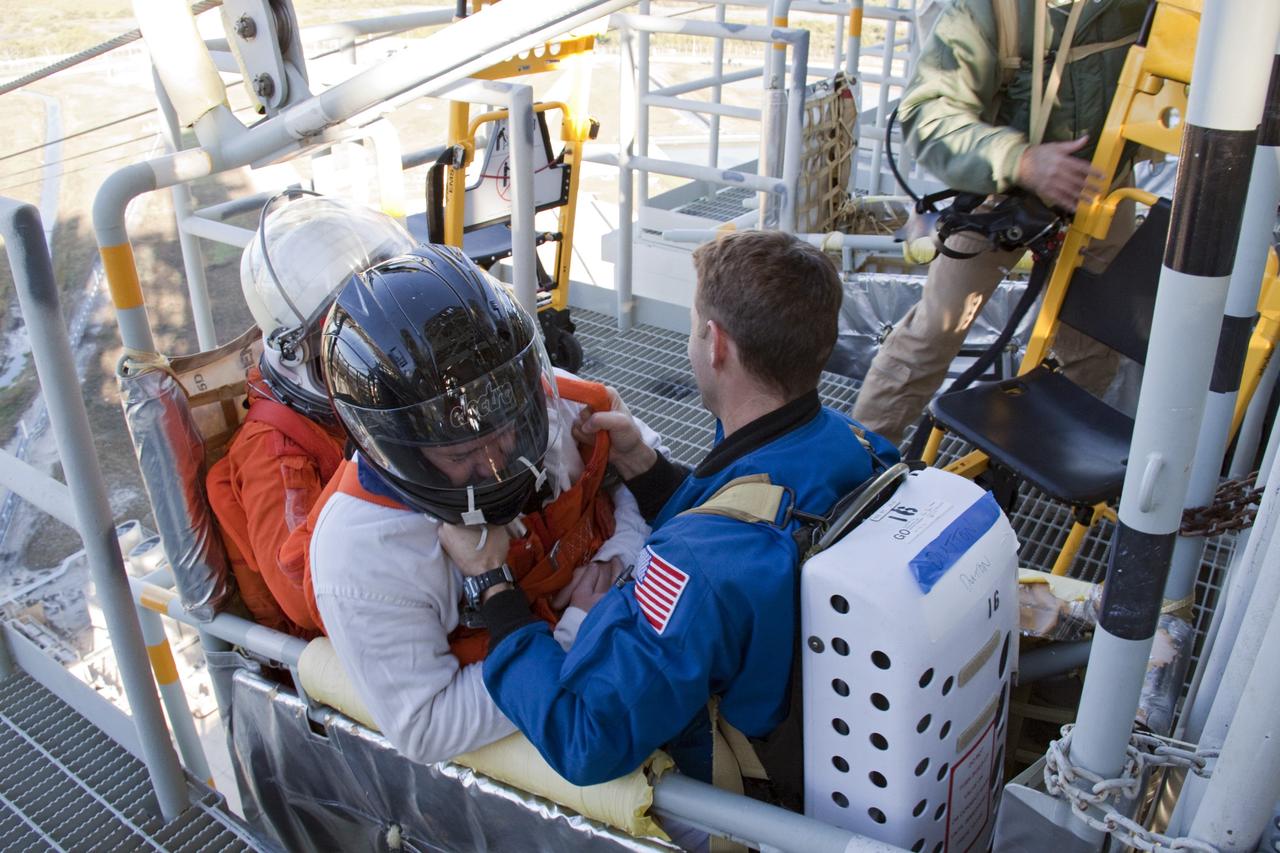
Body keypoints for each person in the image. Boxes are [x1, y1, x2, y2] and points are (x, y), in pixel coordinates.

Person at [441, 230, 899, 798]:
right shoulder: (859, 444)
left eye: (692, 327)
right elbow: (753, 508)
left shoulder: (692, 569)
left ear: (715, 344)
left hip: (752, 793)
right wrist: (644, 464)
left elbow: (586, 739)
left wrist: (494, 590)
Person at [301, 244, 659, 766]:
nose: (498, 458)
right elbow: (427, 729)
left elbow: (654, 476)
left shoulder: (559, 403)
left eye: (509, 427)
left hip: (627, 654)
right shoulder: (361, 550)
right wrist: (578, 629)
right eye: (463, 451)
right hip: (561, 732)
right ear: (399, 444)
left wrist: (620, 555)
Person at [851, 0, 1149, 443]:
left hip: (1102, 188)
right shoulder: (989, 10)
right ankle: (858, 462)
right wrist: (1020, 161)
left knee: (1092, 345)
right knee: (933, 332)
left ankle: (1048, 463)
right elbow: (927, 117)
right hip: (1000, 193)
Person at [207, 191, 416, 637]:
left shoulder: (360, 396)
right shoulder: (274, 452)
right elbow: (306, 595)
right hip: (363, 635)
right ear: (300, 352)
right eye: (347, 334)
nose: (376, 347)